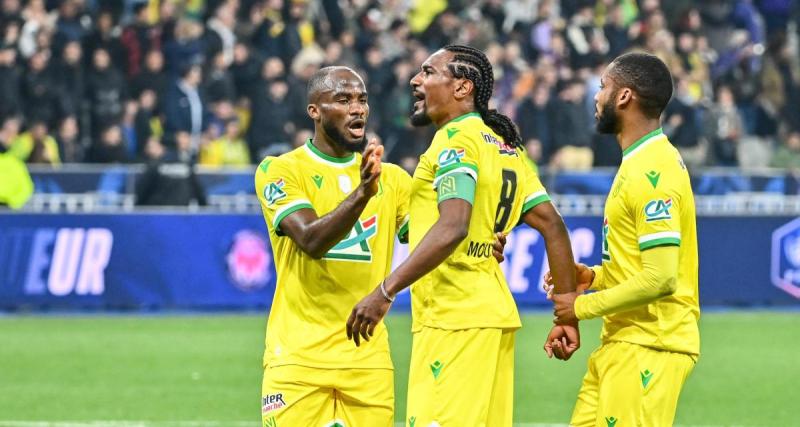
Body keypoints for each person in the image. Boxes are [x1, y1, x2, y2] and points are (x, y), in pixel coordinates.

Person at [346, 45, 579, 426]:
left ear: (462, 88)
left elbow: (453, 225)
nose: (415, 80)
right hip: (491, 322)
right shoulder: (506, 147)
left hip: (453, 321)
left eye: (428, 72)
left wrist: (385, 291)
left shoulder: (456, 141)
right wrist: (567, 314)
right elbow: (553, 225)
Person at [546, 52, 699, 427]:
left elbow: (661, 278)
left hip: (650, 345)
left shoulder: (653, 172)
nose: (596, 97)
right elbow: (640, 266)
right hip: (622, 342)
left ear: (624, 96)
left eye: (602, 87)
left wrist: (578, 308)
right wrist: (595, 278)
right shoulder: (638, 163)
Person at [253, 66, 404, 427]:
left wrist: (480, 239)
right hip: (298, 361)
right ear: (314, 111)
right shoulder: (280, 171)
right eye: (343, 99)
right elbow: (310, 240)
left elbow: (434, 238)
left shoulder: (394, 178)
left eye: (362, 100)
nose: (358, 109)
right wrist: (363, 193)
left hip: (367, 362)